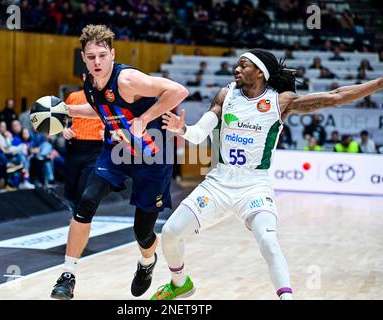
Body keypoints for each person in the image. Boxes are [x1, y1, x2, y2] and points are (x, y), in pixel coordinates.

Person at [151, 48, 383, 300]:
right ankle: (180, 283)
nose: (236, 69)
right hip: (218, 184)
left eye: (243, 65)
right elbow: (198, 134)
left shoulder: (280, 101)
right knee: (171, 232)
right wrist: (182, 128)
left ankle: (286, 298)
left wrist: (380, 82)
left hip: (254, 187)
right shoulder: (226, 95)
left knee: (269, 242)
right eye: (237, 65)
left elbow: (334, 96)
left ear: (260, 72)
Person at [49, 25, 188, 300]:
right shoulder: (90, 83)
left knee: (143, 233)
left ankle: (147, 263)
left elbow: (178, 91)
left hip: (153, 157)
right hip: (116, 152)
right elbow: (100, 110)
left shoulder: (127, 80)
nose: (97, 62)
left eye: (102, 55)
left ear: (112, 54)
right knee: (86, 200)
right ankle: (67, 274)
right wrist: (67, 110)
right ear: (84, 58)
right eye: (91, 57)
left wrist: (145, 118)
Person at [62, 75, 105, 210]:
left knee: (83, 189)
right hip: (75, 146)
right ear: (84, 77)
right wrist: (63, 130)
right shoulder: (74, 97)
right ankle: (76, 215)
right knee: (70, 190)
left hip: (95, 148)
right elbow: (61, 115)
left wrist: (109, 131)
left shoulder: (107, 98)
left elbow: (117, 118)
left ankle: (79, 219)